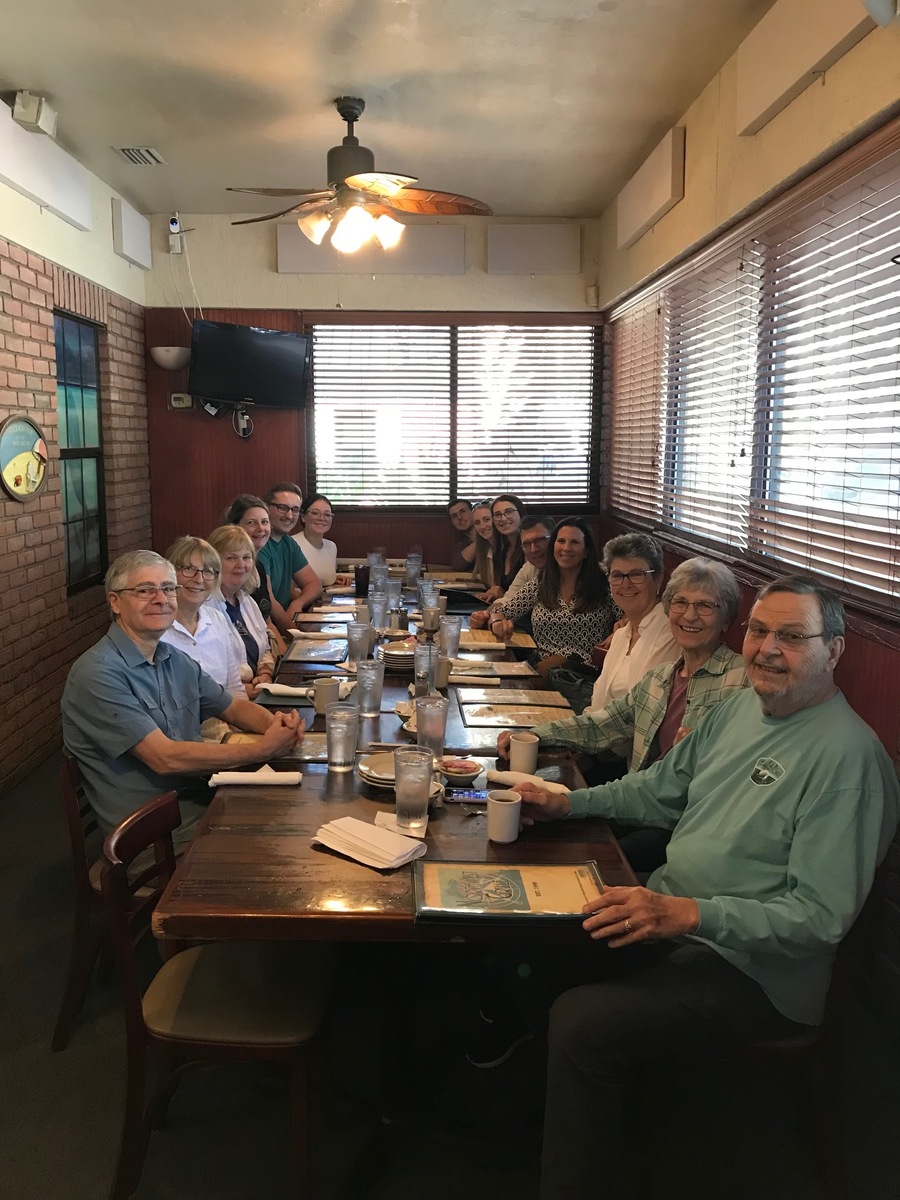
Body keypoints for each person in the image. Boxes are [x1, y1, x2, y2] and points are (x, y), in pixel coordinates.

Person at [515, 575, 899, 1199]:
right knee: (531, 935)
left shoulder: (848, 760)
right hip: (675, 919)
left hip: (755, 973)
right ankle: (581, 1124)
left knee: (583, 1022)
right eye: (759, 631)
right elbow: (659, 789)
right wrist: (568, 801)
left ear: (834, 651)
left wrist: (689, 915)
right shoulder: (740, 708)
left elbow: (819, 919)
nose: (767, 649)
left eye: (792, 637)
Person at [498, 557, 748, 868]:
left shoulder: (743, 681)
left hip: (685, 826)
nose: (689, 615)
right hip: (637, 805)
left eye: (706, 606)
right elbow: (601, 725)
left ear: (726, 619)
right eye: (680, 602)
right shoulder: (659, 679)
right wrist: (534, 734)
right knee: (535, 829)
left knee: (583, 861)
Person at [61, 551, 305, 851]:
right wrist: (263, 748)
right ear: (115, 602)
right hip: (153, 837)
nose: (161, 599)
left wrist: (278, 725)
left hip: (197, 800)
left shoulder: (173, 658)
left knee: (295, 816)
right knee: (285, 840)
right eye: (145, 590)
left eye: (168, 588)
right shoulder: (97, 673)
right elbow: (165, 758)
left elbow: (232, 706)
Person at [497, 518, 616, 710]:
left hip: (582, 676)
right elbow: (502, 612)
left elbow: (630, 618)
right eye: (561, 541)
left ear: (586, 550)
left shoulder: (605, 585)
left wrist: (621, 627)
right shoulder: (541, 583)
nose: (566, 548)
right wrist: (498, 622)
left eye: (574, 542)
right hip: (539, 670)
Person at [590, 532, 678, 712]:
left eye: (636, 574)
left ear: (658, 579)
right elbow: (598, 704)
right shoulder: (621, 635)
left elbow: (642, 711)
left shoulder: (670, 632)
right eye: (617, 575)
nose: (626, 584)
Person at [160, 536, 244, 700]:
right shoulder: (156, 628)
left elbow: (235, 689)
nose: (199, 579)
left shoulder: (217, 619)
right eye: (189, 569)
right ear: (170, 574)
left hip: (225, 715)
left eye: (208, 571)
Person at [206, 525, 276, 694]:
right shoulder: (204, 607)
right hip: (224, 699)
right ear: (213, 563)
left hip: (256, 690)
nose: (241, 565)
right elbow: (202, 671)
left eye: (246, 557)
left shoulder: (248, 602)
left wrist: (265, 673)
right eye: (231, 558)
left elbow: (265, 648)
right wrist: (238, 690)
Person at [469, 516, 553, 630]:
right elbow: (508, 604)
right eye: (526, 544)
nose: (533, 549)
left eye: (539, 541)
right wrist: (484, 616)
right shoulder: (532, 574)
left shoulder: (573, 575)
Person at [257, 482, 322, 624]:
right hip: (267, 627)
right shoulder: (259, 544)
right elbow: (269, 601)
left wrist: (298, 603)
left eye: (295, 509)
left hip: (283, 622)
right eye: (282, 507)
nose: (289, 515)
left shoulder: (288, 543)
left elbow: (314, 584)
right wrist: (293, 631)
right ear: (266, 508)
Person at [222, 494, 275, 618]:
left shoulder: (259, 566)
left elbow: (266, 621)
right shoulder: (232, 571)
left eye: (264, 522)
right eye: (251, 523)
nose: (260, 528)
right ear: (234, 527)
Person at [480, 494, 527, 602]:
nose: (503, 518)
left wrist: (503, 595)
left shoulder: (530, 549)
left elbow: (531, 597)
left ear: (521, 514)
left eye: (509, 512)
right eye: (497, 514)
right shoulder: (502, 550)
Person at [293, 492, 340, 586]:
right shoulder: (292, 544)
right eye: (315, 513)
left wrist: (335, 578)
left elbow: (322, 578)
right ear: (303, 517)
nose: (321, 518)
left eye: (327, 515)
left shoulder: (331, 547)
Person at [459, 501, 495, 588]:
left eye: (487, 520)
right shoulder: (485, 549)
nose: (482, 526)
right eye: (477, 523)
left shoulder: (508, 549)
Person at [447, 498, 475, 571]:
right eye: (454, 516)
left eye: (463, 511)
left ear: (473, 512)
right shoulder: (462, 544)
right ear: (452, 523)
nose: (459, 517)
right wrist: (479, 541)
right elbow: (457, 565)